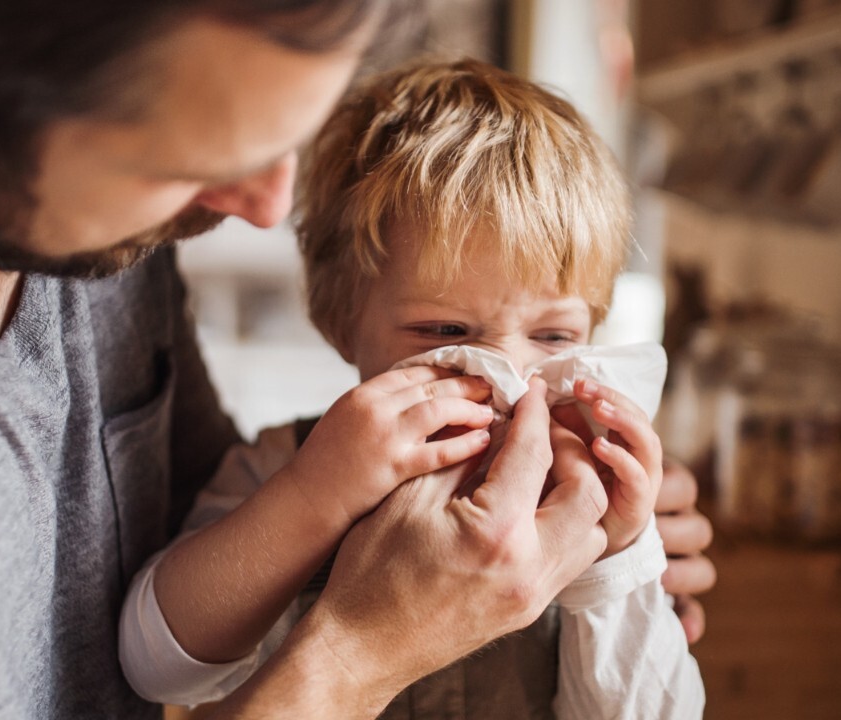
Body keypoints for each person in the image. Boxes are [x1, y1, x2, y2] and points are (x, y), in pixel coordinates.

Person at [0, 2, 714, 718]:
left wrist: (618, 567)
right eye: (184, 158)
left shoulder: (91, 220)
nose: (266, 209)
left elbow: (186, 522)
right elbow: (163, 644)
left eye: (553, 336)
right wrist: (362, 643)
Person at [118, 58, 705, 719]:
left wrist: (616, 562)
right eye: (446, 330)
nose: (507, 379)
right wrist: (314, 494)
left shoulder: (584, 503)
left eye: (554, 339)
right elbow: (155, 667)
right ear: (342, 323)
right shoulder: (287, 465)